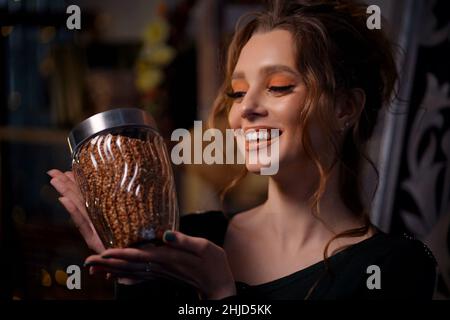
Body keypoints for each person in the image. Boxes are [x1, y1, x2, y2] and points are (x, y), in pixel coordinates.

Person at [48, 0, 437, 300]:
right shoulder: (189, 238)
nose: (244, 108)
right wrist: (136, 274)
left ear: (345, 108)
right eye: (236, 92)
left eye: (279, 86)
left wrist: (222, 294)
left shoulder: (395, 267)